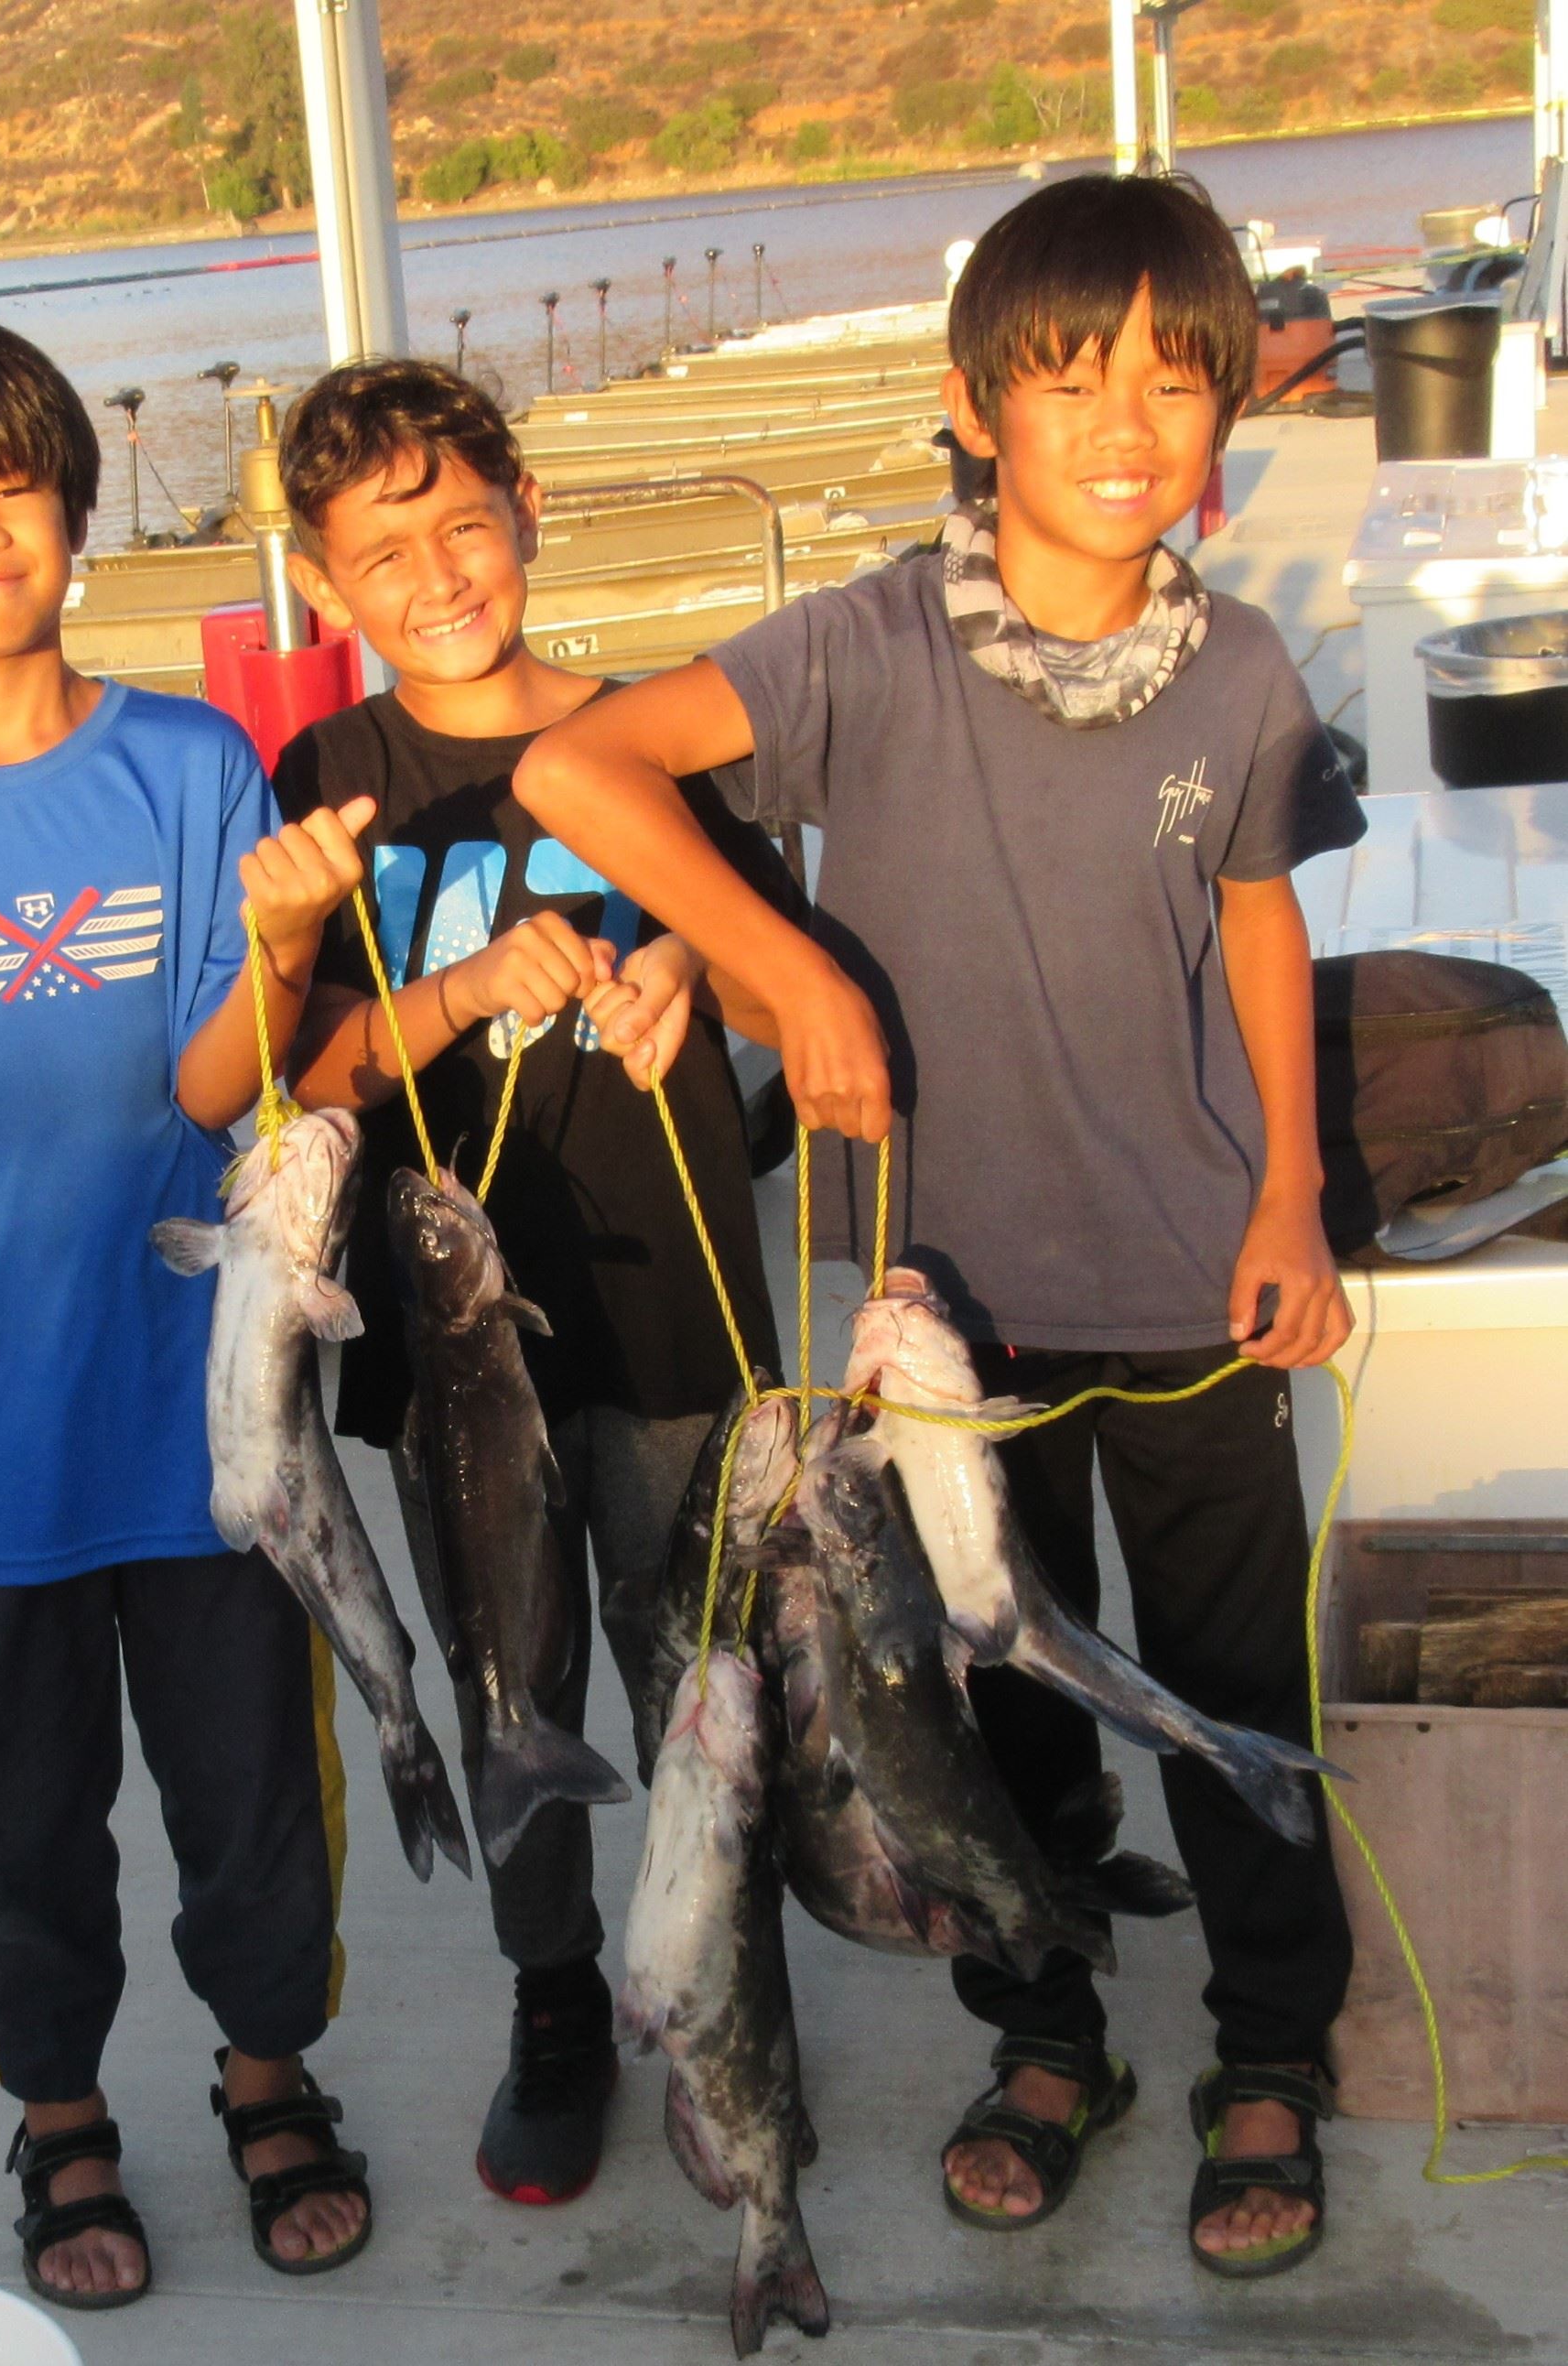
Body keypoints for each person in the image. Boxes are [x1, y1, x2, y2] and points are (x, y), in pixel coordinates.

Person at [514, 174, 1363, 2278]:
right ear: (976, 407)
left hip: (1185, 1281)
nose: (1125, 422)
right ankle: (1044, 2019)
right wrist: (777, 967)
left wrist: (1288, 1190)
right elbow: (576, 763)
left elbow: (1257, 918)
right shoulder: (861, 643)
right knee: (991, 1694)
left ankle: (1270, 2045)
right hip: (934, 1318)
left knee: (1237, 1681)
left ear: (1228, 406)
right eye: (1070, 379)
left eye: (1175, 377)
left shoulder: (1239, 665)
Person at [0, 307, 381, 2309]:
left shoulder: (191, 762)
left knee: (250, 1785)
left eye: (8, 483)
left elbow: (229, 1086)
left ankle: (267, 2063)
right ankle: (57, 2111)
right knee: (16, 1813)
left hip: (202, 1407)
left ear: (74, 509)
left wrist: (282, 943)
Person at [270, 357, 796, 2208]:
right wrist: (447, 996)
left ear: (528, 515)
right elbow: (300, 1060)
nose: (434, 571)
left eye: (462, 522)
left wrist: (696, 984)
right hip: (446, 1334)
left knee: (697, 1669)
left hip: (664, 1303)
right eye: (379, 549)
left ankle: (724, 1979)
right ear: (325, 588)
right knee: (515, 1664)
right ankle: (555, 1992)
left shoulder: (659, 737)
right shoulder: (324, 778)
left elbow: (770, 969)